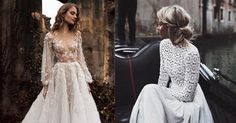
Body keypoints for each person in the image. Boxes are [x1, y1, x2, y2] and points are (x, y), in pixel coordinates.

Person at [129, 5, 214, 123]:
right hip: (171, 95)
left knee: (150, 90)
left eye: (160, 24)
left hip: (189, 103)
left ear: (170, 27)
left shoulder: (191, 52)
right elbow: (163, 77)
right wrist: (160, 95)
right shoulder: (164, 45)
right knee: (150, 91)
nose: (157, 28)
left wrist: (164, 94)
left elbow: (188, 95)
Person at [22, 3, 101, 123]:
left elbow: (80, 58)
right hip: (59, 76)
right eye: (72, 13)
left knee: (77, 108)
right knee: (58, 107)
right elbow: (47, 62)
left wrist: (86, 80)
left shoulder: (77, 35)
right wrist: (46, 84)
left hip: (76, 76)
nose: (75, 16)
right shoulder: (50, 36)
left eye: (76, 14)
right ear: (63, 14)